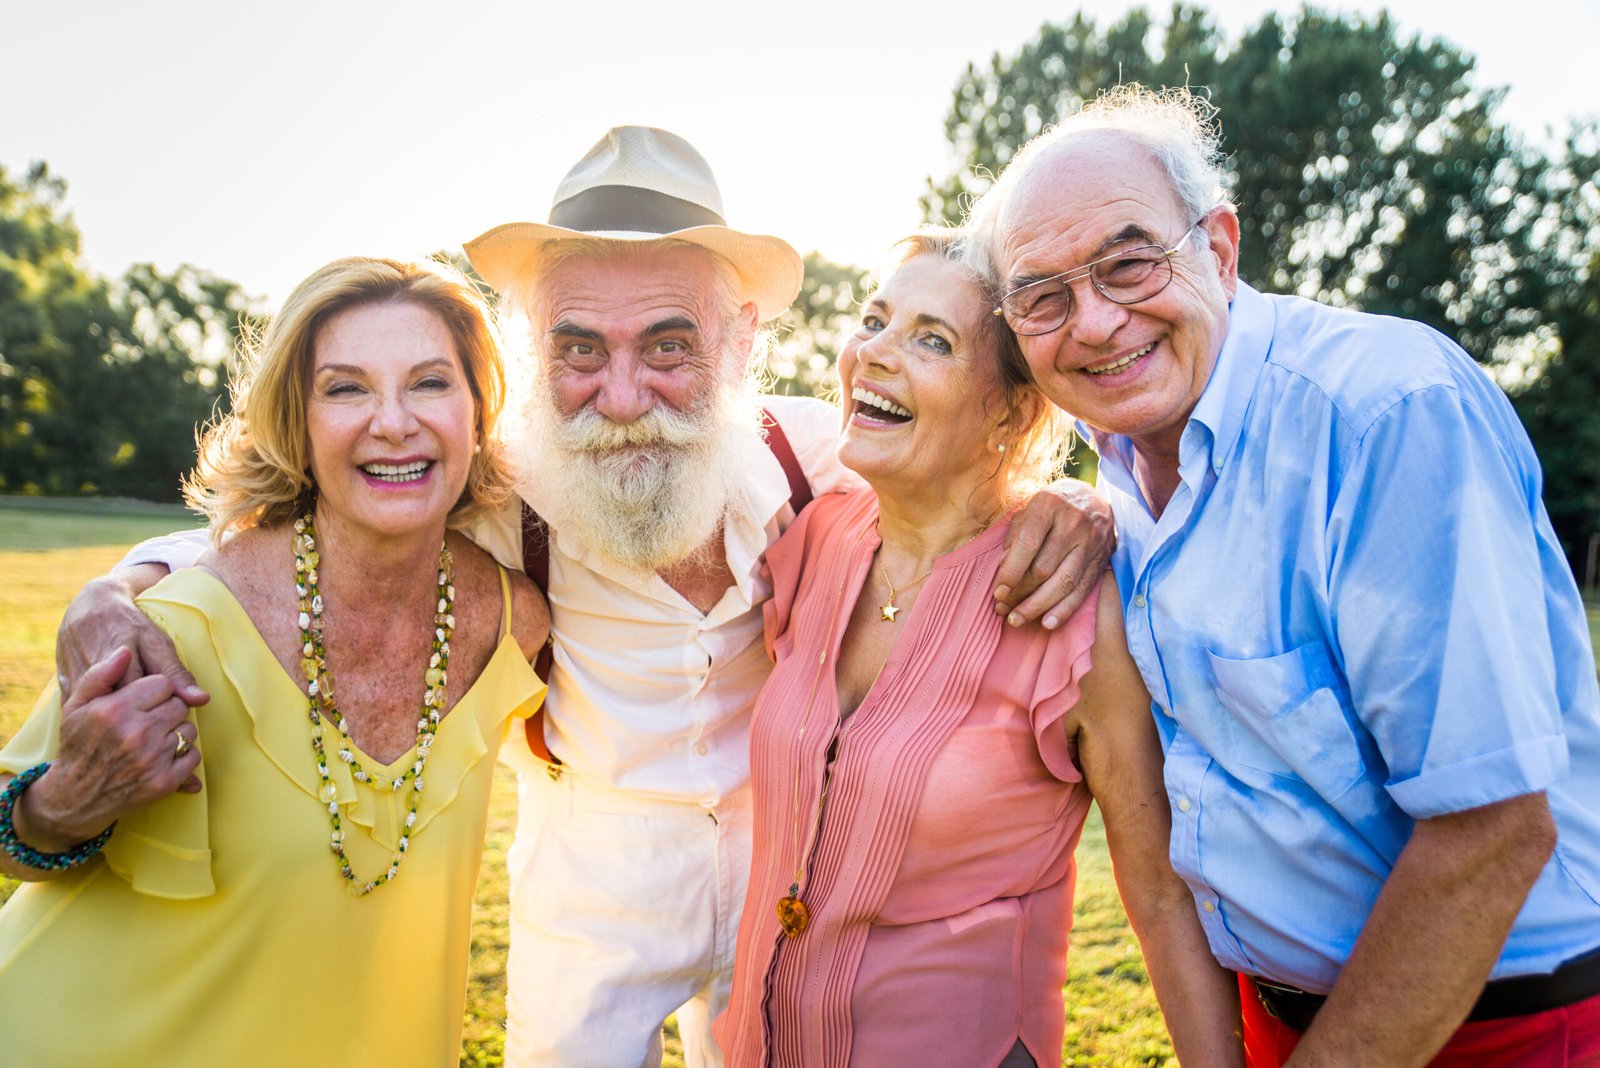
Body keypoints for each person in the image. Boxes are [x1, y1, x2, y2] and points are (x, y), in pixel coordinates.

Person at [50, 127, 1114, 1067]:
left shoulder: (819, 450)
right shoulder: (492, 483)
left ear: (739, 341)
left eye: (667, 345)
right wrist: (125, 579)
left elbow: (973, 472)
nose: (620, 396)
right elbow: (304, 529)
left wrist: (1075, 504)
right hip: (589, 868)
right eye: (577, 349)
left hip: (782, 852)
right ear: (531, 348)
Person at [964, 85, 1600, 1066]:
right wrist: (1077, 505)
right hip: (1275, 1020)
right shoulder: (1124, 463)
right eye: (1042, 296)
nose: (1092, 322)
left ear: (1217, 249)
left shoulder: (1384, 413)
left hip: (1499, 1023)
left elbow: (1489, 836)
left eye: (1128, 263)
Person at [0, 256, 549, 1063]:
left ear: (477, 412)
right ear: (298, 420)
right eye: (346, 387)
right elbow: (11, 834)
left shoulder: (518, 624)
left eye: (430, 382)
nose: (393, 422)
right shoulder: (171, 628)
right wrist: (63, 808)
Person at [715, 231, 1243, 1067]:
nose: (875, 353)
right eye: (874, 320)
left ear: (1011, 408)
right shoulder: (815, 541)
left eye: (933, 339)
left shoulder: (1069, 608)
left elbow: (1160, 898)